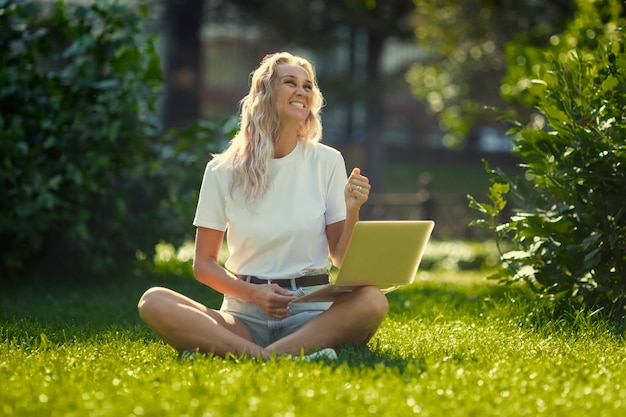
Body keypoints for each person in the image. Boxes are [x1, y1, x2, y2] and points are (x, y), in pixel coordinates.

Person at [137, 52, 389, 360]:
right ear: (266, 93)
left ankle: (242, 355)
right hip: (243, 314)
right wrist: (255, 295)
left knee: (373, 301)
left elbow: (339, 257)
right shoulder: (222, 171)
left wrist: (353, 210)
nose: (301, 91)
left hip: (309, 313)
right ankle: (278, 357)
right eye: (290, 83)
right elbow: (204, 264)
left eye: (307, 86)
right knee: (153, 301)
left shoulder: (327, 161)